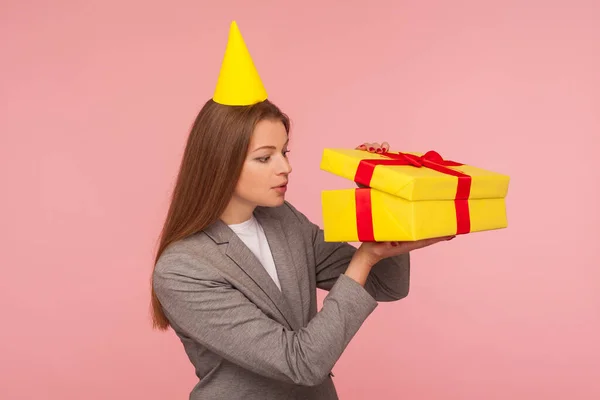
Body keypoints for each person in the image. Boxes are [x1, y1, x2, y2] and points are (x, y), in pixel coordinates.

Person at [150, 21, 452, 400]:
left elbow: (386, 285)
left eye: (285, 152)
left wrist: (377, 193)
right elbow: (302, 363)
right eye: (265, 157)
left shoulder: (283, 220)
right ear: (219, 164)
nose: (285, 168)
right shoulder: (183, 268)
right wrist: (363, 259)